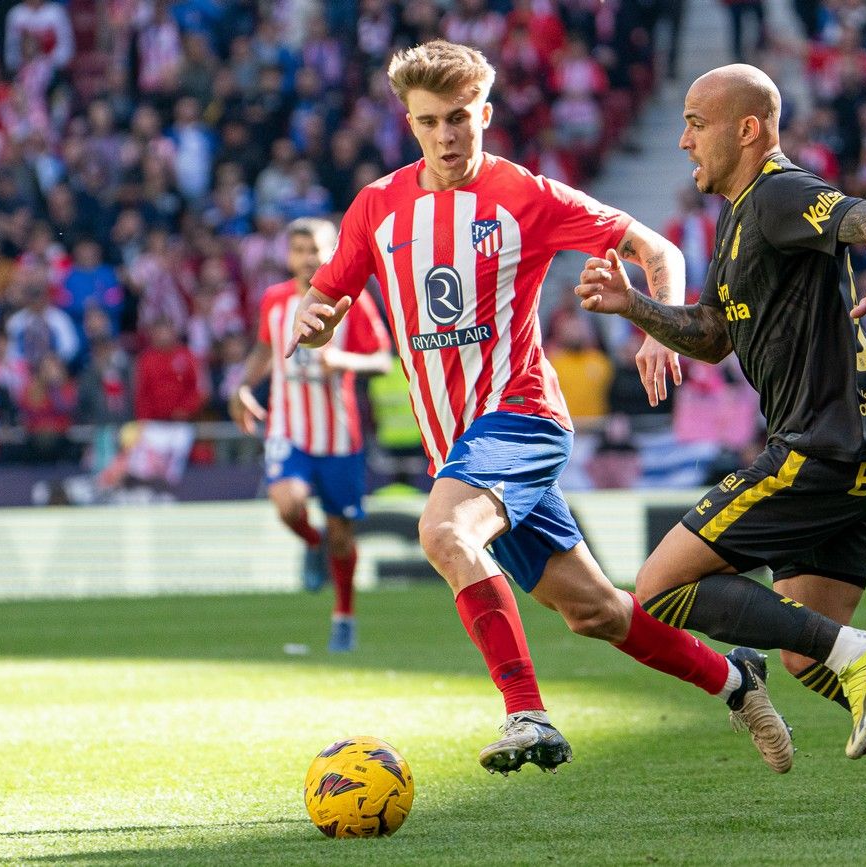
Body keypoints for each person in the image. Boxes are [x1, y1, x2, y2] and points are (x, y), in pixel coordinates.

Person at [284, 40, 791, 776]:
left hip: (521, 417)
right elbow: (326, 294)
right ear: (410, 123)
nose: (448, 136)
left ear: (484, 114)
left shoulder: (526, 195)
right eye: (430, 122)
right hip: (460, 450)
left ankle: (525, 710)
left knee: (444, 529)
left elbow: (656, 247)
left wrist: (659, 326)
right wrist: (315, 319)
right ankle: (736, 680)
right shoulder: (377, 209)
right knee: (597, 611)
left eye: (460, 118)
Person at [577, 63, 866, 827]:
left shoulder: (781, 193)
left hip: (818, 450)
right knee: (806, 654)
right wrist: (636, 306)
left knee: (657, 590)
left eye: (697, 120)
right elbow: (716, 337)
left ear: (747, 129)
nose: (685, 137)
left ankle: (864, 651)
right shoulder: (740, 217)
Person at [230, 217, 393, 652]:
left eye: (316, 249)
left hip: (339, 437)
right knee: (287, 505)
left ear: (332, 252)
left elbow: (382, 359)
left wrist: (344, 362)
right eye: (299, 249)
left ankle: (344, 616)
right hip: (288, 428)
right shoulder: (275, 300)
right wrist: (244, 387)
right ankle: (311, 542)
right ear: (288, 256)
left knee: (344, 535)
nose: (308, 258)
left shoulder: (351, 301)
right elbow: (265, 349)